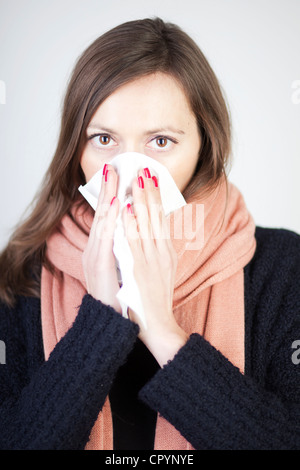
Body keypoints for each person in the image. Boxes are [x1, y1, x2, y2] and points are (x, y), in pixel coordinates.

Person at [0, 17, 299, 451]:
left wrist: (161, 329)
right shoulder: (19, 275)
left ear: (204, 147)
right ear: (75, 147)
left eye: (160, 142)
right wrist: (99, 321)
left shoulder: (283, 267)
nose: (128, 170)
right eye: (104, 138)